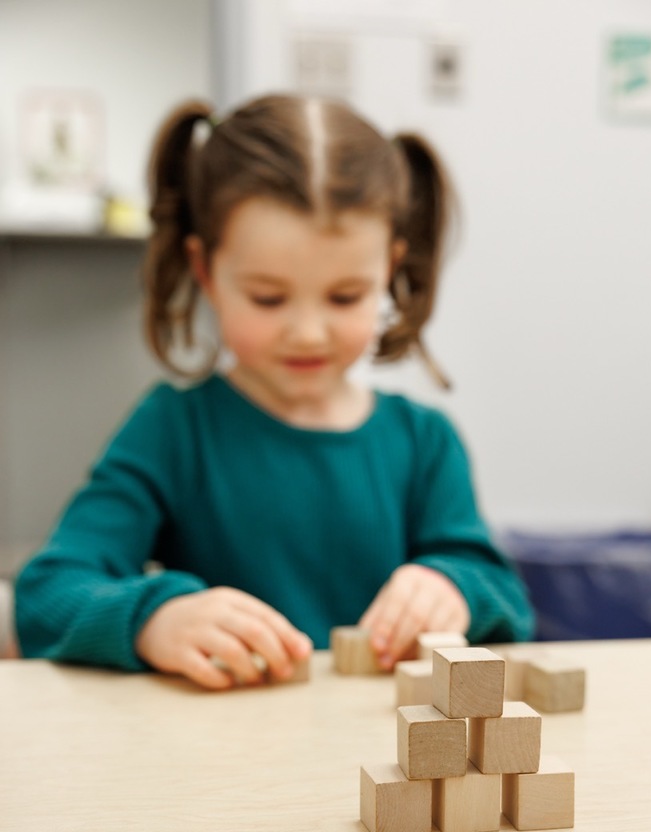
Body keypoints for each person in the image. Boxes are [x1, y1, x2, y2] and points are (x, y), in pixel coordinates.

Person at [14, 93, 534, 689]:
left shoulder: (424, 442)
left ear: (389, 270)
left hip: (391, 760)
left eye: (345, 297)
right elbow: (46, 593)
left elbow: (508, 601)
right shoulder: (173, 430)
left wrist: (455, 588)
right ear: (205, 270)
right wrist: (152, 617)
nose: (308, 332)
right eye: (268, 297)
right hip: (227, 763)